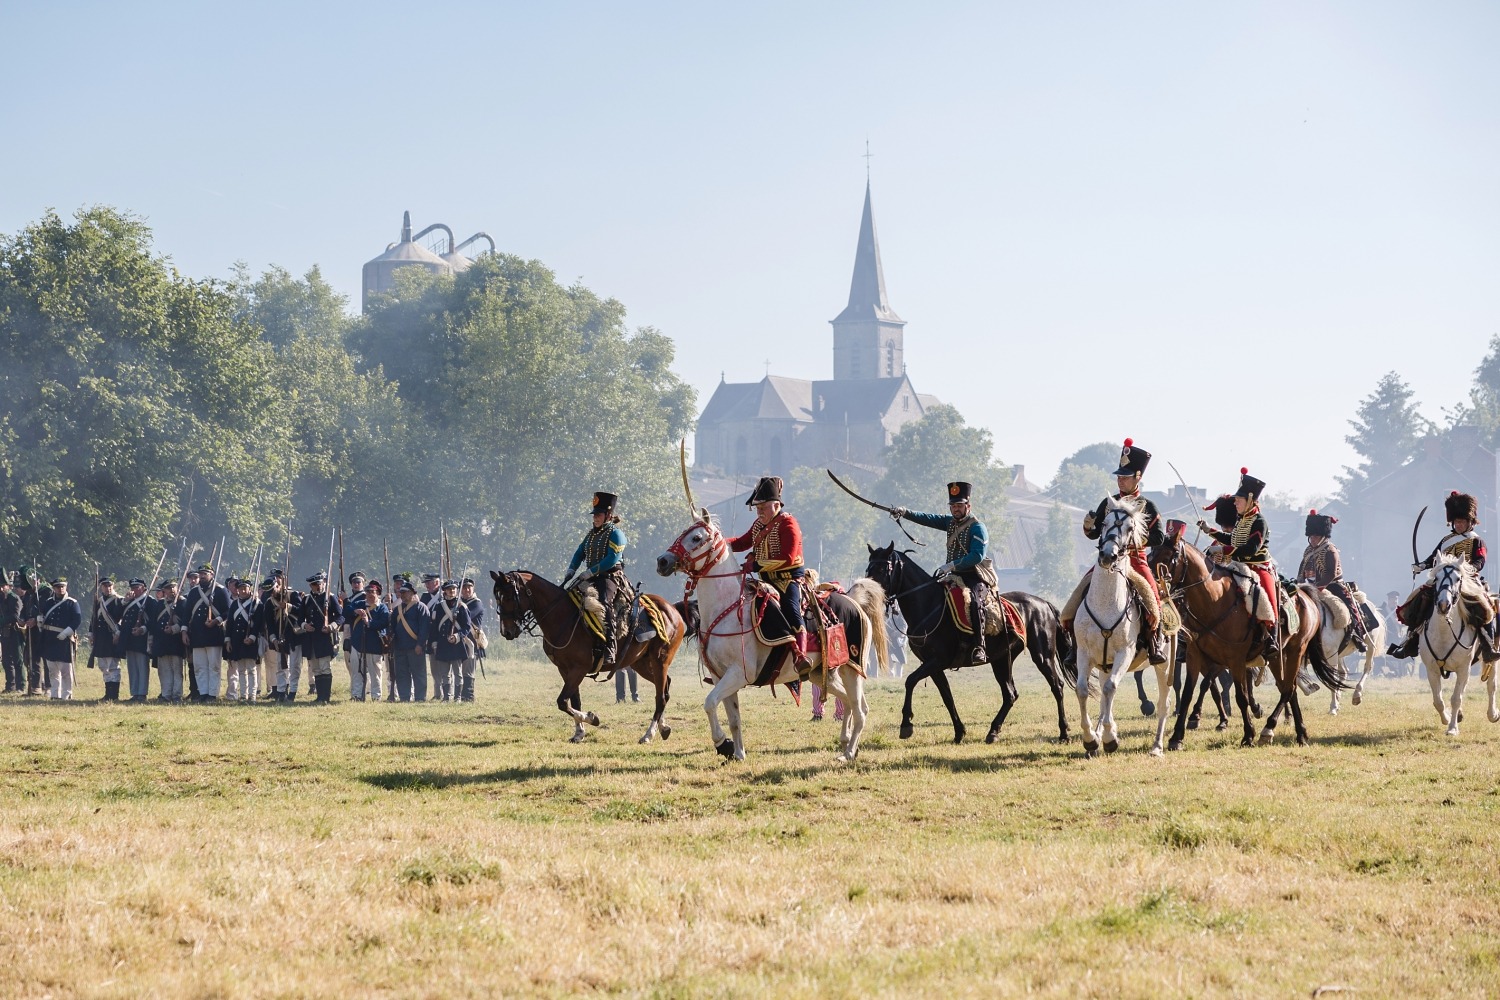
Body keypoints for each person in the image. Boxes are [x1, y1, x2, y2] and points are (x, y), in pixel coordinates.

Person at [1071, 438, 1168, 665]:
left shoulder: (1147, 506)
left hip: (1135, 561)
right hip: (1107, 561)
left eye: (1124, 476)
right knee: (1078, 595)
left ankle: (1155, 642)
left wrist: (1133, 541)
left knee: (1153, 596)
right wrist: (1087, 526)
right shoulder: (1109, 503)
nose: (1119, 480)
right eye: (1118, 476)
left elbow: (1159, 537)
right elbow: (1095, 533)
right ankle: (1074, 643)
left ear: (1138, 477)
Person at [1387, 490, 1499, 662]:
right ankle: (1410, 640)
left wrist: (1466, 569)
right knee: (1419, 599)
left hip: (1467, 580)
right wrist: (1422, 565)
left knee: (1485, 606)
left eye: (1462, 521)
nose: (1459, 524)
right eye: (1456, 521)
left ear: (1470, 522)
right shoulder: (1446, 540)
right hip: (1443, 579)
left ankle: (1488, 645)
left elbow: (1480, 560)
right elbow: (1434, 557)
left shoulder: (1477, 540)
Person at [890, 481, 991, 665]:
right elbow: (927, 518)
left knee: (975, 603)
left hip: (974, 576)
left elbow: (977, 556)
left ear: (968, 506)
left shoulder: (977, 527)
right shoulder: (949, 523)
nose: (955, 509)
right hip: (954, 576)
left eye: (959, 505)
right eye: (953, 506)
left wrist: (952, 564)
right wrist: (905, 512)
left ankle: (980, 646)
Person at [729, 476, 814, 671]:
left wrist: (756, 566)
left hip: (787, 580)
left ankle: (800, 657)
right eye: (757, 509)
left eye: (763, 508)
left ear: (776, 505)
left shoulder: (788, 524)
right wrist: (717, 542)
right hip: (764, 582)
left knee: (792, 612)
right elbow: (741, 543)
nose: (759, 512)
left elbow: (788, 558)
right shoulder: (758, 525)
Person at [1198, 468, 1278, 659]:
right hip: (1237, 566)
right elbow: (1232, 539)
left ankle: (1271, 636)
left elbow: (1251, 549)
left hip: (1258, 567)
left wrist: (1223, 550)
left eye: (1238, 500)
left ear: (1250, 500)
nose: (1235, 503)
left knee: (1266, 595)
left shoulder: (1260, 522)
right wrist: (1210, 531)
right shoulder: (1241, 519)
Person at [564, 491, 629, 669]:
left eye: (599, 515)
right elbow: (579, 553)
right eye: (595, 515)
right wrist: (572, 569)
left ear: (608, 515)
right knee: (569, 598)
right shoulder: (591, 535)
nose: (596, 518)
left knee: (604, 602)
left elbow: (612, 559)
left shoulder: (616, 534)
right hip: (590, 577)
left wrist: (590, 571)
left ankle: (610, 646)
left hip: (609, 577)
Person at [1298, 509, 1368, 652]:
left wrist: (1319, 587)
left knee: (1349, 607)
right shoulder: (1307, 550)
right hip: (1309, 586)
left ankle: (1357, 634)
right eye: (1311, 536)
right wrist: (1300, 582)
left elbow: (1330, 573)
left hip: (1332, 586)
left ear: (1323, 536)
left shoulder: (1330, 550)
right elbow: (1301, 569)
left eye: (1315, 536)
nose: (1312, 539)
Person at [184, 563, 230, 701]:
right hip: (197, 634)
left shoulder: (220, 590)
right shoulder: (193, 592)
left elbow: (228, 611)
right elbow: (187, 614)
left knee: (214, 667)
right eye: (201, 574)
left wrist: (216, 621)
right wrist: (184, 632)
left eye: (205, 573)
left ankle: (212, 694)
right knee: (199, 667)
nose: (202, 576)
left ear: (212, 575)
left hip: (214, 634)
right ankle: (203, 692)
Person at [298, 572, 342, 703]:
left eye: (319, 584)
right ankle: (319, 697)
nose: (317, 587)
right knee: (316, 668)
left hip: (324, 638)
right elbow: (300, 619)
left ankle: (325, 697)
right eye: (314, 585)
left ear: (323, 583)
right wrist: (305, 625)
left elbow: (340, 616)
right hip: (311, 639)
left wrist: (331, 627)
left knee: (324, 667)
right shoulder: (306, 599)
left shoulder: (330, 597)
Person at [258, 574, 301, 702]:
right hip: (279, 637)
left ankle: (292, 691)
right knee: (280, 666)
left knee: (295, 666)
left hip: (294, 636)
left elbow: (301, 612)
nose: (271, 593)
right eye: (269, 592)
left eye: (273, 590)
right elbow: (269, 624)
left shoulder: (292, 595)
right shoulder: (269, 603)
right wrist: (273, 639)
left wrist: (288, 607)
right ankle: (281, 692)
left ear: (278, 585)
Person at [39, 578, 82, 700]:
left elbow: (77, 620)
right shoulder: (48, 602)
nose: (60, 589)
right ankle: (54, 694)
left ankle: (67, 694)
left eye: (62, 586)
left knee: (65, 670)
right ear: (54, 588)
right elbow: (44, 616)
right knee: (52, 669)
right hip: (50, 638)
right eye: (58, 587)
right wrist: (40, 621)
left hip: (64, 638)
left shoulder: (72, 603)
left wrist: (67, 632)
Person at [428, 580, 473, 693]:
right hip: (443, 643)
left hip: (456, 644)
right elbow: (434, 627)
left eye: (453, 589)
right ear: (445, 591)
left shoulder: (461, 607)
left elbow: (467, 627)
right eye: (449, 589)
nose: (452, 591)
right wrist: (434, 642)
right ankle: (447, 696)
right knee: (444, 673)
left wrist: (457, 636)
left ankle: (457, 696)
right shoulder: (439, 607)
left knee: (457, 673)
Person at [348, 579, 389, 702]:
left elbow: (384, 623)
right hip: (357, 643)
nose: (370, 594)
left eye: (373, 592)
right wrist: (355, 611)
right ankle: (357, 695)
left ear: (377, 593)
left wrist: (368, 622)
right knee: (357, 671)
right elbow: (345, 611)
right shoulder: (359, 604)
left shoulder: (382, 608)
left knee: (375, 673)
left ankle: (376, 696)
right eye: (368, 591)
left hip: (374, 645)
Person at [388, 579, 429, 702]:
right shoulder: (397, 609)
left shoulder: (421, 608)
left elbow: (424, 629)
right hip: (400, 647)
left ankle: (420, 698)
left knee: (418, 674)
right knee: (402, 674)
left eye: (406, 592)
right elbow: (393, 627)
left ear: (412, 593)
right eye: (402, 592)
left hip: (415, 646)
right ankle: (404, 697)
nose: (403, 595)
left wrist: (420, 644)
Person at [90, 576, 128, 701]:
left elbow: (118, 616)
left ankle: (114, 695)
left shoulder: (118, 600)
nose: (108, 588)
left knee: (113, 666)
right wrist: (91, 633)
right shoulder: (99, 601)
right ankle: (108, 694)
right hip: (101, 638)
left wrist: (118, 633)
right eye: (105, 586)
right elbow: (94, 619)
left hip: (112, 637)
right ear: (101, 587)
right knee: (103, 666)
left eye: (110, 585)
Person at [150, 579, 188, 702]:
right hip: (161, 641)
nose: (171, 590)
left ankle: (176, 695)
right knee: (164, 671)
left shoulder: (183, 603)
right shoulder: (160, 604)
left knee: (176, 670)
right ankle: (166, 695)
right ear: (164, 590)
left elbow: (185, 621)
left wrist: (174, 629)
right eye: (168, 588)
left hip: (175, 642)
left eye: (173, 587)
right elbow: (154, 622)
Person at [225, 577, 261, 702]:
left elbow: (258, 624)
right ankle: (243, 695)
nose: (243, 591)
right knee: (241, 669)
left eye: (245, 588)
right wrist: (228, 640)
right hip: (237, 640)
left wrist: (251, 637)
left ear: (249, 588)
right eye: (240, 588)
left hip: (250, 640)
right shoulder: (235, 604)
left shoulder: (256, 603)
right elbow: (230, 624)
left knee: (251, 669)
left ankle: (252, 695)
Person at [119, 578, 153, 701]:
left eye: (137, 587)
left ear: (143, 588)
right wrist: (125, 601)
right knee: (132, 667)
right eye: (132, 588)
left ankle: (142, 692)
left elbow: (152, 621)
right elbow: (118, 614)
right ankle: (134, 692)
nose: (134, 590)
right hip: (129, 639)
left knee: (142, 667)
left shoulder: (149, 601)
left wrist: (142, 629)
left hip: (141, 639)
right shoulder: (128, 601)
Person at [419, 573, 444, 701]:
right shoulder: (424, 597)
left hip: (443, 635)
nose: (427, 585)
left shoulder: (444, 595)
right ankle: (437, 692)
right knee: (434, 667)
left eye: (430, 583)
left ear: (437, 583)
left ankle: (447, 693)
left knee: (445, 666)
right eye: (426, 583)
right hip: (430, 635)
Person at [459, 578, 484, 703]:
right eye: (464, 587)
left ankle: (468, 695)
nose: (466, 590)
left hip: (471, 642)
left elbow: (466, 617)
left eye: (469, 587)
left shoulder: (476, 603)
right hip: (459, 641)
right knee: (458, 670)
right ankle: (458, 695)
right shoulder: (458, 602)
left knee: (468, 670)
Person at [1, 571, 23, 694]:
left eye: (3, 585)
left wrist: (1, 621)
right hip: (4, 632)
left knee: (18, 659)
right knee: (6, 660)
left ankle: (21, 685)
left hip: (15, 631)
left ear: (8, 586)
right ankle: (10, 685)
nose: (1, 588)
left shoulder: (14, 598)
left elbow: (15, 616)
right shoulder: (1, 598)